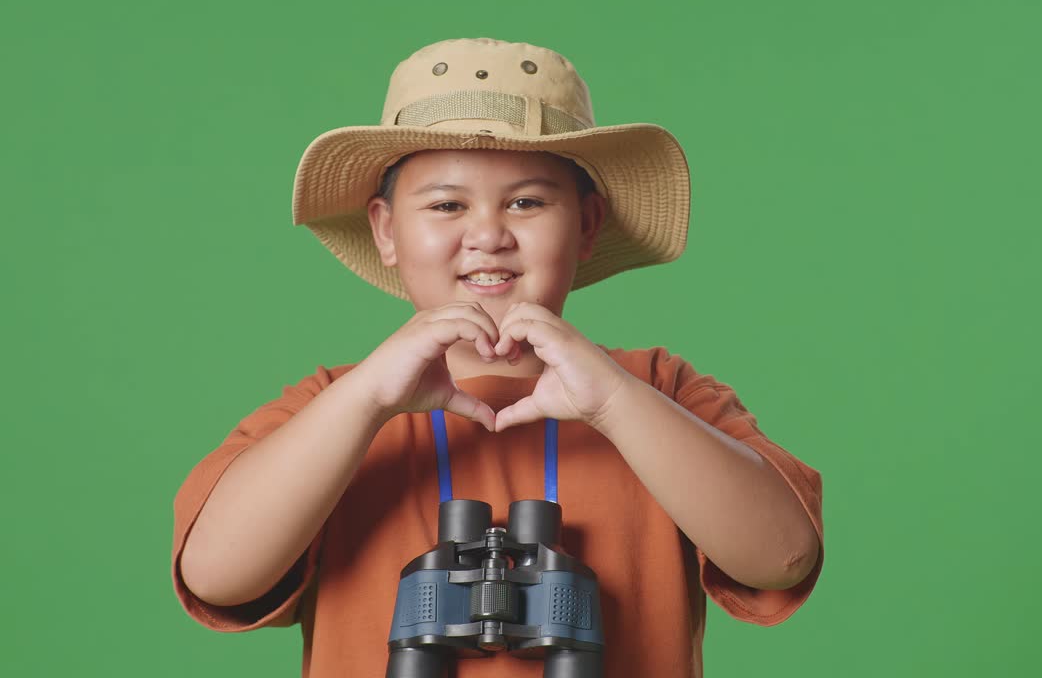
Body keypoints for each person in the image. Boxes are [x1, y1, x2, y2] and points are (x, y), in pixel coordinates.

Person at [170, 37, 825, 677]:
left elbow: (783, 557)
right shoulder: (333, 407)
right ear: (386, 230)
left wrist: (615, 402)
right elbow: (216, 575)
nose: (487, 234)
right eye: (447, 204)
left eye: (526, 202)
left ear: (587, 225)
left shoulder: (657, 389)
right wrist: (366, 400)